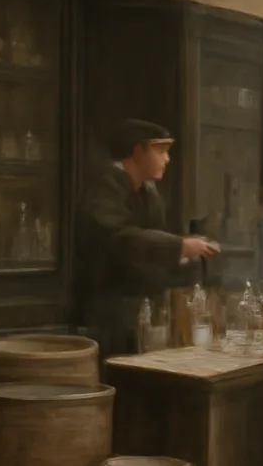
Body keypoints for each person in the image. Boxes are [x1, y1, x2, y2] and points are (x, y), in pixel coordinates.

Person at [75, 119, 218, 358]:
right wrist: (180, 246)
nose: (167, 159)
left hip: (141, 315)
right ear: (138, 151)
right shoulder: (105, 186)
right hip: (107, 320)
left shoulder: (148, 192)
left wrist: (185, 250)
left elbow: (151, 242)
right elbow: (120, 240)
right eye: (160, 151)